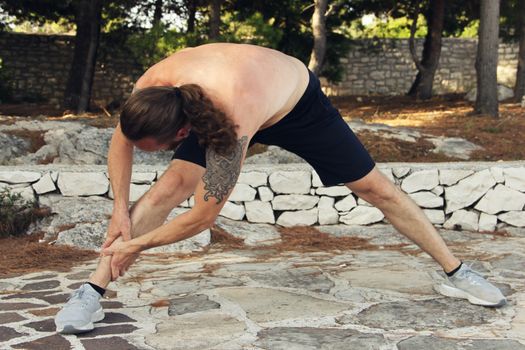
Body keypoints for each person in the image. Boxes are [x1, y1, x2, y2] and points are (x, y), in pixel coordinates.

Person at [54, 43, 506, 334]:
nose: (143, 151)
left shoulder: (230, 118)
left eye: (153, 149)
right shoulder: (151, 91)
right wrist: (119, 211)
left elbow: (203, 218)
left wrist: (136, 245)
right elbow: (122, 145)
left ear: (181, 134)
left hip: (297, 105)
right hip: (235, 99)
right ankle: (92, 292)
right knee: (169, 185)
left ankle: (456, 271)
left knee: (376, 189)